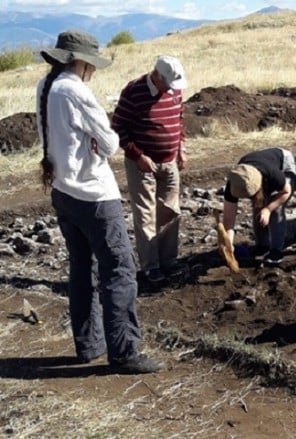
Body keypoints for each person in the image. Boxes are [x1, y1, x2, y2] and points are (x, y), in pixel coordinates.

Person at [36, 30, 162, 374]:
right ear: (82, 61)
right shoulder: (76, 91)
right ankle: (124, 352)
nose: (93, 69)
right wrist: (98, 140)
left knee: (81, 269)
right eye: (91, 63)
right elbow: (109, 143)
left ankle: (89, 345)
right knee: (119, 271)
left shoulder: (46, 87)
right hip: (94, 195)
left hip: (63, 191)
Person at [111, 55, 188, 283]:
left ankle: (169, 261)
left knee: (170, 211)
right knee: (146, 213)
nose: (171, 89)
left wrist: (181, 147)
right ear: (155, 75)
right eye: (167, 84)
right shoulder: (133, 91)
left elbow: (179, 120)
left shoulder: (174, 90)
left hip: (170, 160)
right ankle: (150, 266)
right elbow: (117, 128)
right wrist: (138, 155)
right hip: (142, 164)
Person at [221, 147, 296, 265]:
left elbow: (286, 191)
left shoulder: (272, 174)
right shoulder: (236, 181)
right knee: (258, 206)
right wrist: (228, 242)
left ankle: (276, 251)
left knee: (276, 209)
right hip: (260, 168)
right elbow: (229, 219)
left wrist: (268, 209)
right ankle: (262, 246)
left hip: (284, 163)